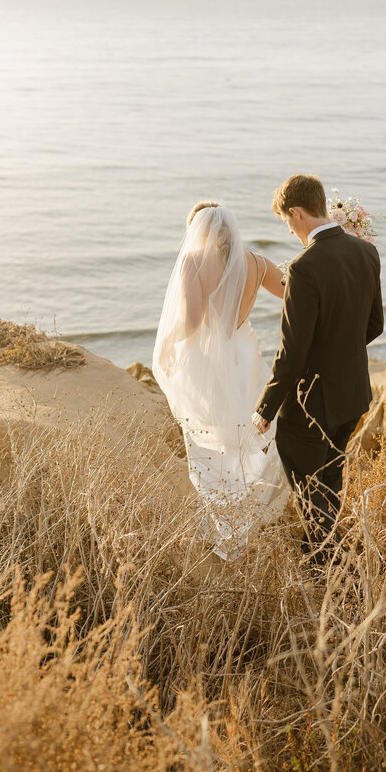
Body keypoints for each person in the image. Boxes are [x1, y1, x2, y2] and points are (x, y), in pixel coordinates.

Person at [252, 174, 383, 560]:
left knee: (310, 495)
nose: (290, 231)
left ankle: (331, 570)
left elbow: (292, 351)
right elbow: (374, 325)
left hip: (313, 407)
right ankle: (327, 565)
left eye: (287, 222)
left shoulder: (304, 267)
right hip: (354, 395)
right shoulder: (366, 253)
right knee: (328, 485)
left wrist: (266, 408)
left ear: (296, 213)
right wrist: (340, 357)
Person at [152, 202, 289, 558]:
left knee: (209, 440)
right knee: (241, 431)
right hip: (243, 357)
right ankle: (244, 513)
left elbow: (193, 322)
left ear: (196, 230)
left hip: (207, 362)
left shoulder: (193, 262)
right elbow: (293, 291)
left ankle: (224, 524)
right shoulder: (256, 263)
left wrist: (167, 341)